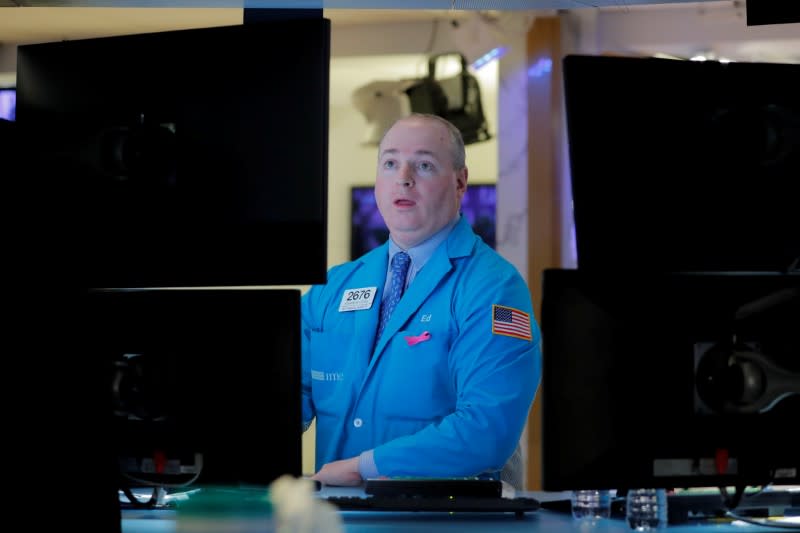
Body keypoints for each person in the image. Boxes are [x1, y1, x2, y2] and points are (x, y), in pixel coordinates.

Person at [301, 113, 541, 488]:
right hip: (339, 520)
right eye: (391, 163)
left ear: (460, 182)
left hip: (446, 522)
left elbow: (486, 430)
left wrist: (365, 466)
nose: (404, 177)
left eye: (424, 165)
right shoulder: (331, 288)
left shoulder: (494, 288)